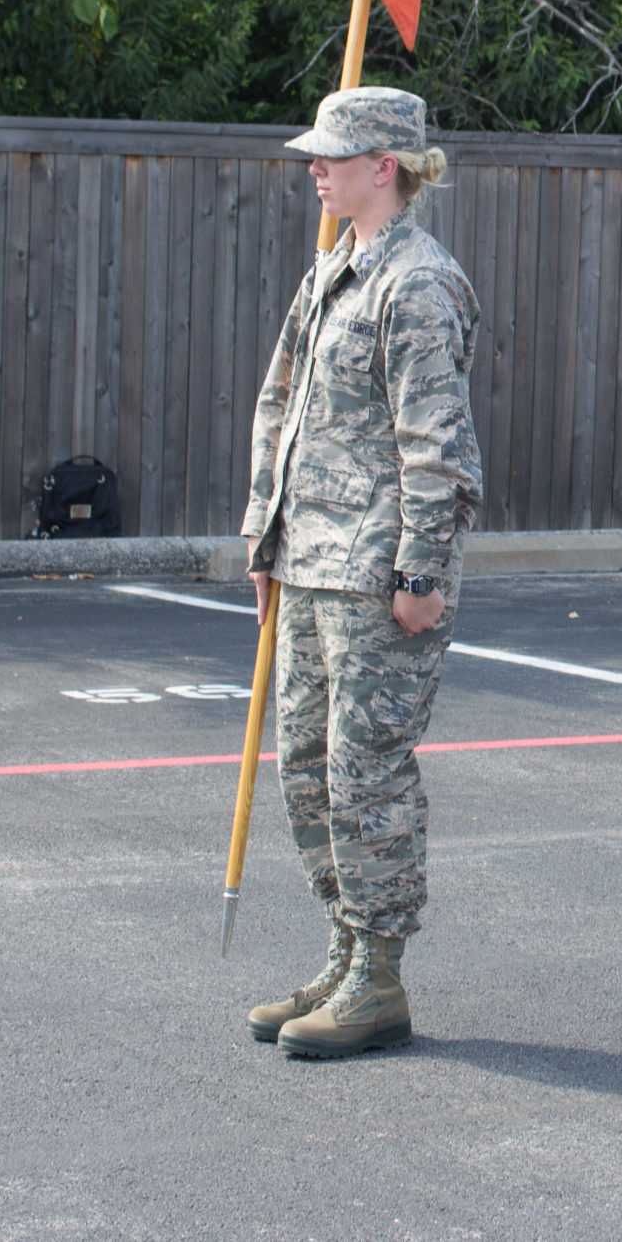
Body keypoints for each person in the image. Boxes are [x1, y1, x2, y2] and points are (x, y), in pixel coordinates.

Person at [239, 85, 484, 1059]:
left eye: (334, 157)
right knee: (306, 771)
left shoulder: (416, 285)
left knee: (364, 778)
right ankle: (345, 950)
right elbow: (281, 409)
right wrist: (267, 541)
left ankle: (379, 975)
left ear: (386, 166)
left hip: (380, 577)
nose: (316, 170)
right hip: (311, 566)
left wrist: (422, 572)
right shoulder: (334, 269)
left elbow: (438, 445)